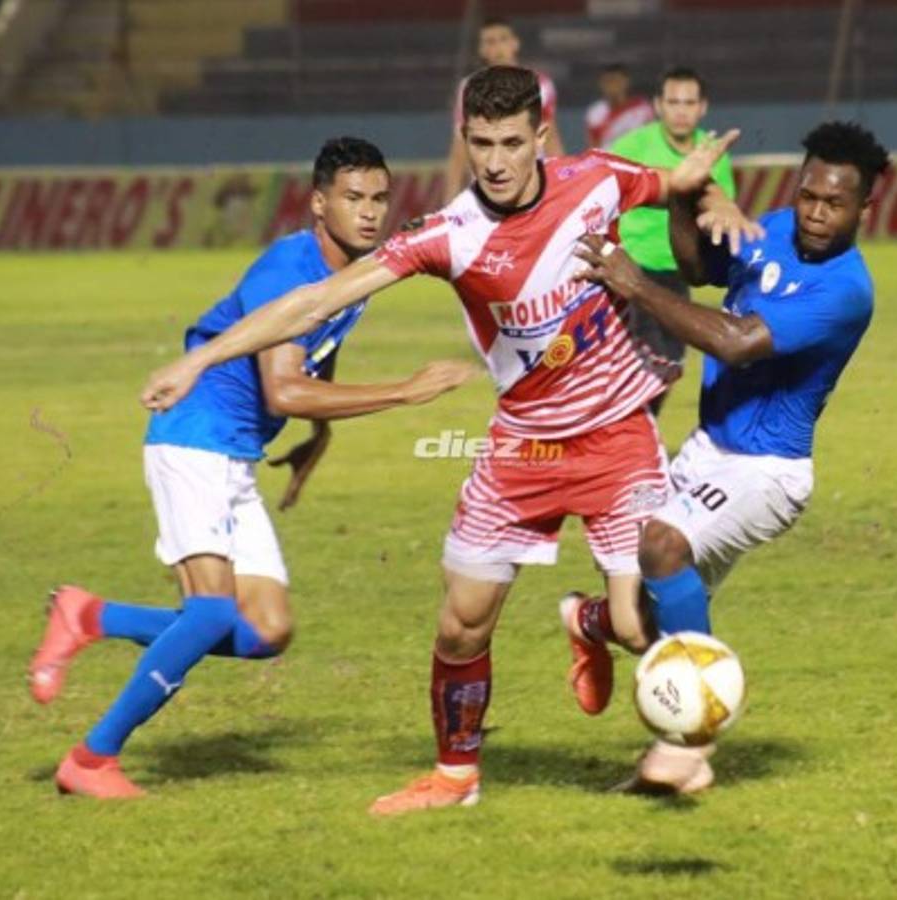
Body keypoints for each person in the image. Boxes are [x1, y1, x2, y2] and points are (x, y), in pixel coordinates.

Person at [139, 66, 759, 817]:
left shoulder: (595, 178)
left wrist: (706, 185)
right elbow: (311, 303)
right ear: (463, 139)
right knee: (460, 624)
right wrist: (200, 358)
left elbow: (668, 184)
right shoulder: (447, 235)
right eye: (478, 143)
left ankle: (588, 622)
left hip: (616, 436)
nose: (493, 162)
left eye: (509, 142)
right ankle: (454, 776)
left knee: (637, 626)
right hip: (520, 451)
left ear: (539, 138)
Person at [29, 137, 474, 799]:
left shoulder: (351, 274)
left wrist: (318, 435)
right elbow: (283, 391)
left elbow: (315, 360)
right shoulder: (289, 271)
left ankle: (91, 616)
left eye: (380, 198)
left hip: (235, 455)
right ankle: (92, 759)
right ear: (319, 204)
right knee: (210, 613)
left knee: (266, 630)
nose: (371, 212)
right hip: (194, 438)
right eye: (353, 198)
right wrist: (406, 390)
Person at [572, 120, 890, 794]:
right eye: (807, 195)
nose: (814, 213)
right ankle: (590, 621)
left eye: (833, 203)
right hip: (705, 450)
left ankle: (688, 748)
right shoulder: (773, 227)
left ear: (865, 208)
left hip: (765, 472)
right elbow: (696, 267)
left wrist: (632, 286)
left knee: (660, 548)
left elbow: (738, 341)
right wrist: (686, 196)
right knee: (639, 623)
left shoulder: (846, 290)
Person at [610, 66, 736, 414]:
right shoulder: (631, 146)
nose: (681, 110)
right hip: (630, 269)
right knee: (650, 360)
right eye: (673, 101)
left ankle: (635, 433)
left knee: (669, 366)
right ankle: (625, 439)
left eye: (689, 102)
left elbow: (718, 217)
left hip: (677, 273)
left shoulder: (714, 156)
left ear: (702, 107)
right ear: (658, 105)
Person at [442, 18, 564, 203]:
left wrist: (561, 192)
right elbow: (460, 148)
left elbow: (551, 140)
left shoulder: (540, 84)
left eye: (503, 39)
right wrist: (449, 203)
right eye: (490, 42)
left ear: (515, 43)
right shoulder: (469, 87)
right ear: (481, 50)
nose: (497, 47)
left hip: (532, 188)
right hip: (489, 189)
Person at [584, 63, 654, 150]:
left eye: (616, 80)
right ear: (601, 84)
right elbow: (593, 147)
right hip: (608, 160)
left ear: (626, 81)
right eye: (608, 81)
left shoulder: (642, 109)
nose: (612, 86)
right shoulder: (595, 113)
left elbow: (651, 140)